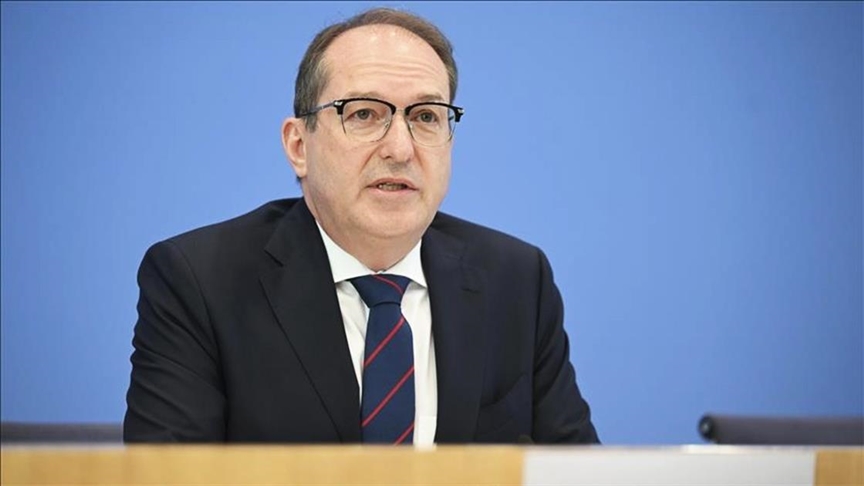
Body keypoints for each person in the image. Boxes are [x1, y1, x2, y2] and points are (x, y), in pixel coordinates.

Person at [124, 7, 599, 445]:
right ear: (298, 146)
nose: (400, 148)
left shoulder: (516, 280)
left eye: (426, 117)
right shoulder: (200, 282)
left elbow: (578, 468)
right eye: (365, 114)